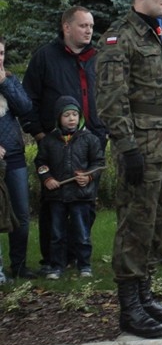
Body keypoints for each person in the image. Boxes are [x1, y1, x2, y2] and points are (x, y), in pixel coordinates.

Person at [96, 0, 162, 339]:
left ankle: (146, 293)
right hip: (142, 147)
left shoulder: (160, 34)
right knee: (136, 225)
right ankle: (130, 306)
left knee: (161, 222)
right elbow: (111, 101)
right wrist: (127, 148)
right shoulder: (121, 39)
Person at [22, 5, 107, 279]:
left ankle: (77, 255)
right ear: (66, 27)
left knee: (86, 198)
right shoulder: (46, 58)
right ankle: (53, 259)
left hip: (91, 141)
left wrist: (103, 130)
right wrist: (38, 134)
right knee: (54, 203)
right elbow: (28, 100)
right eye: (83, 25)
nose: (89, 31)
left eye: (91, 26)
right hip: (55, 143)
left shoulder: (97, 58)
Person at [33, 97, 104, 279]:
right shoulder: (49, 141)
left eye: (74, 114)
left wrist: (88, 176)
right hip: (57, 196)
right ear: (58, 118)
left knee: (81, 233)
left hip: (80, 195)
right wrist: (47, 178)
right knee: (57, 234)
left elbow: (98, 163)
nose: (71, 118)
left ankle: (84, 265)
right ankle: (57, 266)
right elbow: (40, 163)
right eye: (66, 115)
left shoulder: (90, 139)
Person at [0, 36, 33, 279]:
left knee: (21, 213)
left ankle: (19, 265)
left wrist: (4, 83)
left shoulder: (10, 80)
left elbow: (24, 108)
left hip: (13, 157)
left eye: (1, 53)